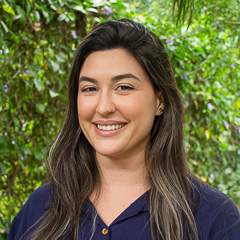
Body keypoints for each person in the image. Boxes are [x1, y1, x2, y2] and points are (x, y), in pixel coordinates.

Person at [8, 19, 240, 240]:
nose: (104, 107)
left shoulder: (214, 217)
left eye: (123, 87)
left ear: (160, 100)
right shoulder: (41, 208)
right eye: (89, 88)